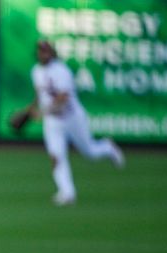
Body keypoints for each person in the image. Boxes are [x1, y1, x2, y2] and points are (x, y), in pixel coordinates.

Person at [28, 39, 124, 206]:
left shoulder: (61, 70)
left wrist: (42, 112)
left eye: (46, 51)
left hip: (72, 117)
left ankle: (107, 147)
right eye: (40, 51)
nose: (43, 54)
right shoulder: (36, 71)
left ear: (52, 53)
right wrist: (30, 109)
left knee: (90, 153)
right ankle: (67, 192)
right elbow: (40, 94)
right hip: (53, 121)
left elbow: (63, 98)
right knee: (55, 156)